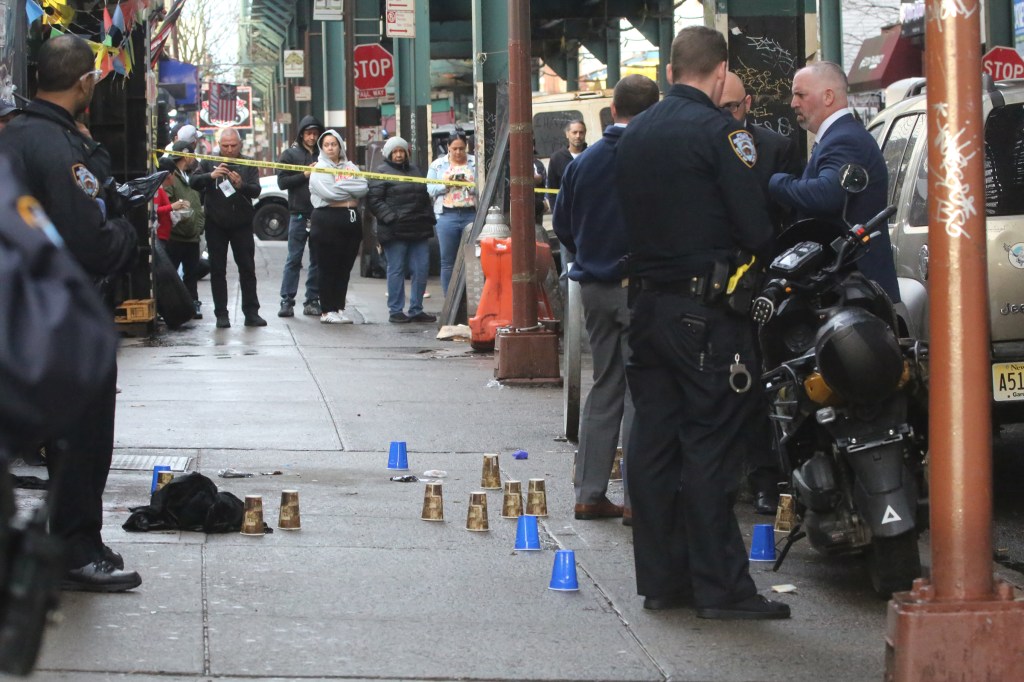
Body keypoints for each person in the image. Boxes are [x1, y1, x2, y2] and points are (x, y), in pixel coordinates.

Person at [615, 25, 789, 619]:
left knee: (653, 445)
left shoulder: (634, 135)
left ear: (669, 71)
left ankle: (664, 582)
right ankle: (723, 589)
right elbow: (755, 229)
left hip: (646, 309)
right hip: (704, 316)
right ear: (720, 74)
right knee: (711, 446)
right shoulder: (723, 134)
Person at [0, 33, 141, 592]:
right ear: (85, 82)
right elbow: (93, 241)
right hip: (55, 314)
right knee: (80, 436)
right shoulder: (58, 147)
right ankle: (76, 547)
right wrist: (127, 228)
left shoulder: (18, 137)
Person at [553, 74, 660, 526]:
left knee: (605, 385)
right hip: (640, 288)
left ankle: (589, 493)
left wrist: (591, 253)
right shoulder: (657, 159)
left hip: (594, 287)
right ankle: (638, 500)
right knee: (640, 391)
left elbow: (562, 225)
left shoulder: (583, 162)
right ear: (654, 111)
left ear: (612, 111)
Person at [718, 70, 802, 515]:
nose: (728, 115)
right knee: (734, 381)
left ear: (747, 104)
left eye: (733, 107)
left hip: (771, 282)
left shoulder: (775, 147)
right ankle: (753, 475)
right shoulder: (707, 144)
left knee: (770, 379)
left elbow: (791, 217)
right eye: (721, 108)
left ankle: (773, 476)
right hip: (721, 285)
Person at [768, 61, 900, 303]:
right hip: (849, 287)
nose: (793, 103)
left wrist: (777, 181)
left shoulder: (845, 139)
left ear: (828, 96)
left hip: (854, 291)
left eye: (800, 94)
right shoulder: (840, 136)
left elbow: (826, 195)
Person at [189, 128, 265, 328]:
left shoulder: (248, 163)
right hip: (216, 224)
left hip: (242, 224)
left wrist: (242, 186)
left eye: (233, 145)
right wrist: (210, 175)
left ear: (240, 145)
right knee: (217, 270)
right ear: (218, 145)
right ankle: (221, 314)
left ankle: (251, 312)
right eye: (225, 146)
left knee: (247, 269)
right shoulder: (207, 161)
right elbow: (193, 182)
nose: (229, 149)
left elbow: (256, 190)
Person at [366, 135, 437, 324]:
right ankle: (395, 310)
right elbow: (374, 200)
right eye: (395, 151)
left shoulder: (415, 170)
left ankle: (416, 309)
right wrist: (391, 218)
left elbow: (423, 196)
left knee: (421, 269)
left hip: (418, 227)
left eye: (401, 151)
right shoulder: (380, 171)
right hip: (395, 230)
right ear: (389, 154)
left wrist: (428, 216)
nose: (398, 155)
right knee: (396, 269)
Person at [308, 129, 368, 324]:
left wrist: (344, 190)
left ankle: (338, 307)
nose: (331, 148)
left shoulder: (350, 166)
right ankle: (327, 310)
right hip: (326, 221)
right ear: (322, 148)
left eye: (334, 144)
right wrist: (349, 193)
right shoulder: (319, 168)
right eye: (326, 145)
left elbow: (363, 187)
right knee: (327, 266)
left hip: (350, 222)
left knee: (344, 267)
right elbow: (329, 193)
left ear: (340, 145)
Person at [276, 115, 323, 318]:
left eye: (315, 133)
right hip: (298, 214)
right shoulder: (290, 155)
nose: (312, 137)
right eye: (308, 133)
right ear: (302, 134)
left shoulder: (325, 155)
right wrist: (304, 174)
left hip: (320, 213)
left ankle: (312, 299)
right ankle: (287, 300)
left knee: (317, 259)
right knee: (294, 258)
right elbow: (282, 182)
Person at [427, 130, 476, 297]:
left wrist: (469, 184)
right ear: (448, 147)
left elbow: (484, 187)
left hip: (471, 214)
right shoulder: (438, 165)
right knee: (447, 261)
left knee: (472, 259)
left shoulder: (475, 163)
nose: (458, 152)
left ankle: (470, 298)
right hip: (446, 215)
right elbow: (430, 188)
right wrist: (446, 185)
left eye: (461, 148)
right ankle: (449, 298)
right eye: (454, 148)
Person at [160, 148, 206, 319]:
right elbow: (166, 204)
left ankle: (193, 303)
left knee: (191, 274)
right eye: (192, 154)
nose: (195, 158)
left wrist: (199, 225)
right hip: (176, 236)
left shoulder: (193, 175)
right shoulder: (172, 177)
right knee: (171, 274)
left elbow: (197, 203)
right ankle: (171, 307)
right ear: (186, 156)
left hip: (192, 236)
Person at [546, 119, 587, 194]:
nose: (578, 136)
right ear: (567, 134)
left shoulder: (591, 155)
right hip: (566, 204)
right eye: (574, 132)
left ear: (585, 134)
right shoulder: (557, 158)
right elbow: (552, 188)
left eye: (581, 132)